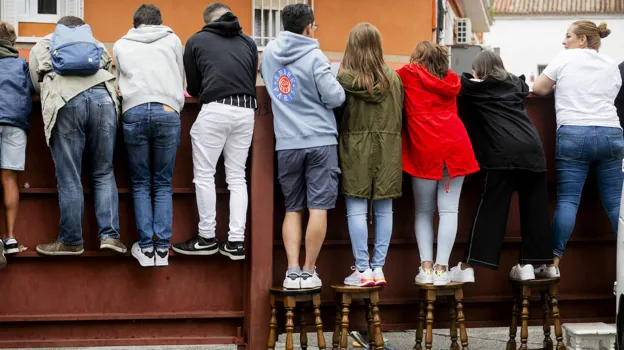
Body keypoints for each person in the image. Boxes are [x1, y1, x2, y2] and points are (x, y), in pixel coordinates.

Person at [260, 3, 345, 289]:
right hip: (320, 139)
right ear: (309, 27)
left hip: (286, 142)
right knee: (318, 207)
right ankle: (309, 272)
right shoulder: (315, 55)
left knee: (292, 208)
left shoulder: (269, 53)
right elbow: (335, 98)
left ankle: (291, 270)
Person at [450, 51, 553, 282]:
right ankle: (530, 265)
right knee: (535, 209)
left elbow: (462, 81)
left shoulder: (475, 88)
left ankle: (467, 268)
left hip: (501, 151)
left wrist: (474, 75)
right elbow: (526, 84)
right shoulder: (516, 84)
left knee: (491, 209)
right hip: (533, 149)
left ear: (480, 71)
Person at [533, 21, 623, 275]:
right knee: (617, 203)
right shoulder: (610, 64)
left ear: (583, 39)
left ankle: (553, 263)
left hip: (574, 132)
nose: (564, 41)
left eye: (568, 36)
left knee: (568, 200)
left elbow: (539, 88)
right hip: (611, 133)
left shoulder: (565, 58)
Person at [30, 16, 126, 256]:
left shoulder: (43, 44)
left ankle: (72, 240)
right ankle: (110, 236)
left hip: (66, 101)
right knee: (104, 171)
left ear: (59, 28)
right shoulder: (95, 43)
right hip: (103, 101)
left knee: (70, 175)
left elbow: (36, 84)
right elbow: (109, 70)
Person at [172, 3, 257, 261]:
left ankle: (207, 238)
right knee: (237, 178)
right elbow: (250, 78)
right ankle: (236, 242)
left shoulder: (196, 41)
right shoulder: (249, 42)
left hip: (215, 109)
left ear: (207, 22)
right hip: (246, 110)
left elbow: (194, 87)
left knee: (205, 175)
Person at [398, 41, 479, 286]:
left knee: (423, 211)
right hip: (454, 143)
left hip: (424, 146)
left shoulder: (407, 75)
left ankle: (426, 267)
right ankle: (442, 269)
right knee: (448, 210)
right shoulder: (452, 80)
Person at [114, 4, 184, 267]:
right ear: (160, 21)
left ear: (136, 23)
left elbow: (119, 81)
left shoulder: (121, 43)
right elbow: (181, 77)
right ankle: (163, 249)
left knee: (141, 182)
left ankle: (145, 247)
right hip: (167, 110)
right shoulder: (173, 40)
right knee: (163, 183)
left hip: (134, 110)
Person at [335, 23, 403, 287]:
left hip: (355, 148)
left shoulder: (343, 79)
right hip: (388, 147)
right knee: (385, 208)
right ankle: (378, 268)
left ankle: (362, 270)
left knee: (356, 209)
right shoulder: (394, 79)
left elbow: (336, 117)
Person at [0, 22, 34, 267]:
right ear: (13, 42)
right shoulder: (22, 63)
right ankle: (10, 238)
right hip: (15, 122)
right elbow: (32, 89)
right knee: (9, 179)